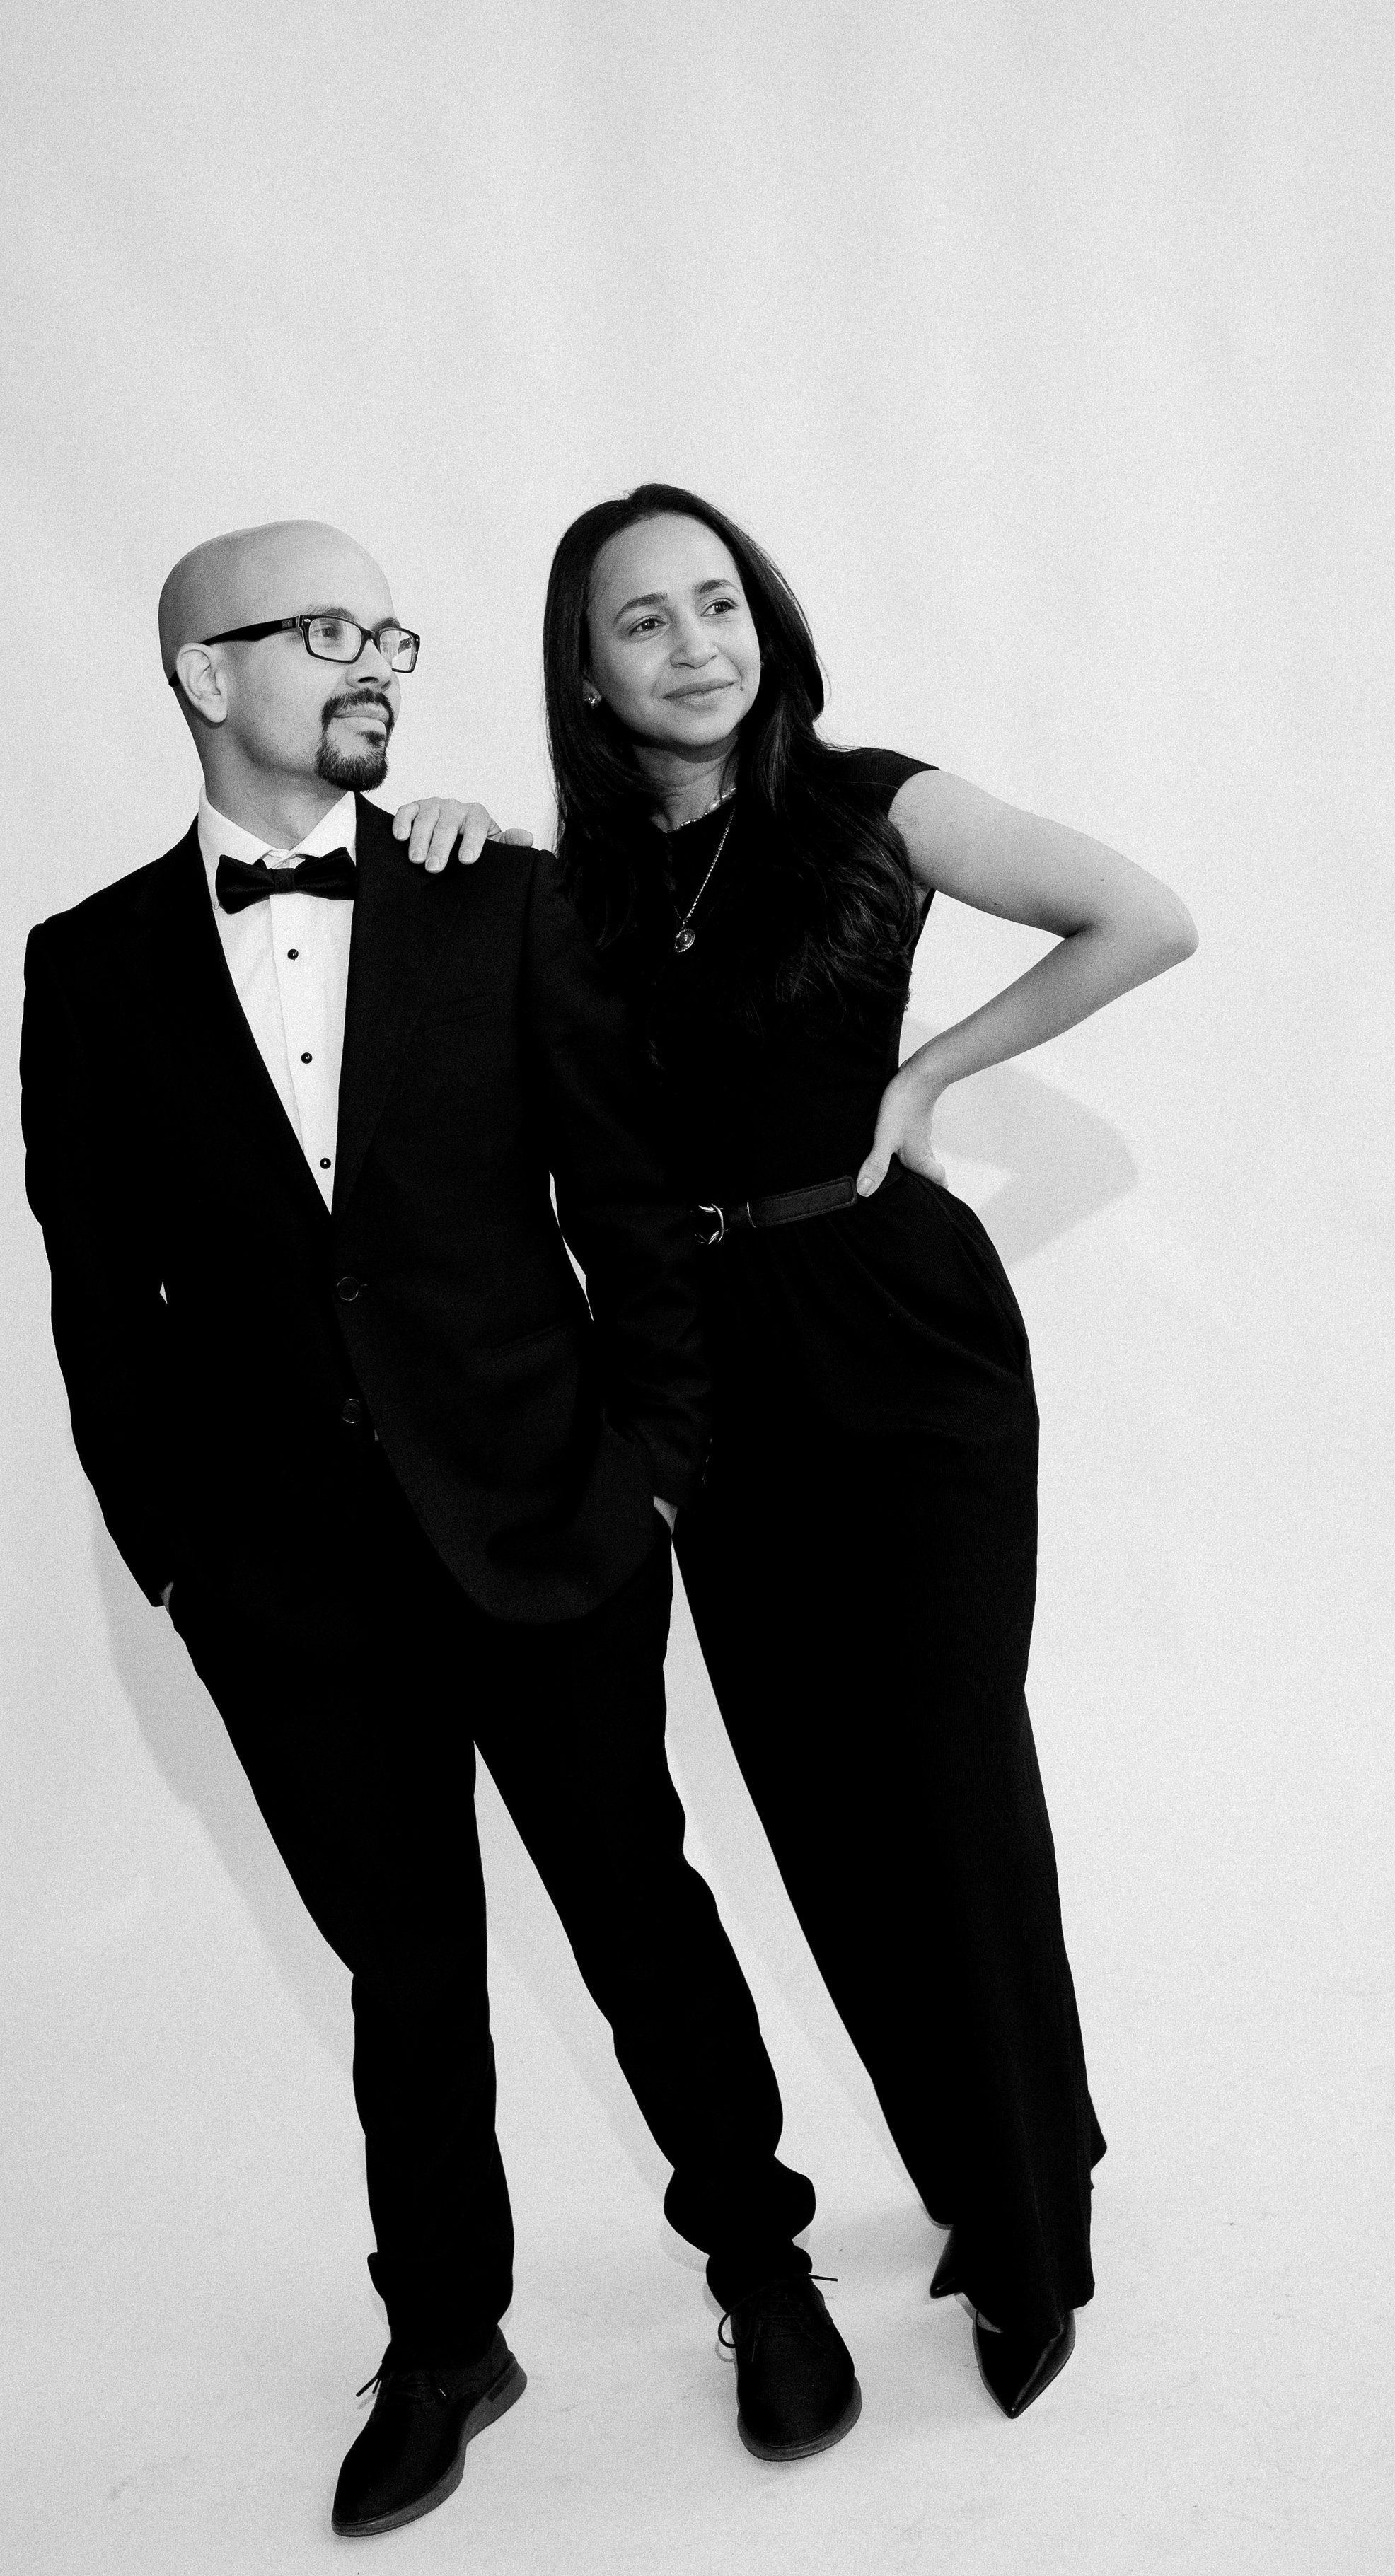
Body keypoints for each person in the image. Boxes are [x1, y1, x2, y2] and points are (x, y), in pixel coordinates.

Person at [19, 518, 862, 2539]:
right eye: (321, 631)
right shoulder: (89, 965)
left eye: (383, 627)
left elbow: (626, 1207)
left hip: (543, 1518)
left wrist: (651, 1461)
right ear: (207, 677)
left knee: (637, 1914)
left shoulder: (500, 907)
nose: (370, 657)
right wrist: (180, 1552)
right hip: (290, 1584)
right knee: (406, 1977)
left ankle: (759, 2267)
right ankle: (443, 2337)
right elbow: (94, 1287)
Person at [407, 481, 1194, 2418]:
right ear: (582, 675)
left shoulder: (869, 805)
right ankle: (992, 2154)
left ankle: (1033, 2227)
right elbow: (440, 1017)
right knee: (821, 1815)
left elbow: (1143, 916)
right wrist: (424, 847)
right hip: (699, 1371)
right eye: (641, 622)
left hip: (898, 1337)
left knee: (946, 1778)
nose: (694, 643)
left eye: (715, 602)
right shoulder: (565, 889)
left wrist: (925, 1074)